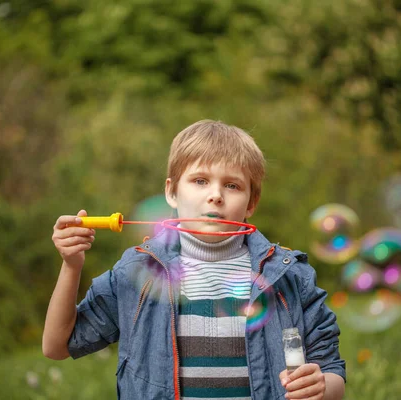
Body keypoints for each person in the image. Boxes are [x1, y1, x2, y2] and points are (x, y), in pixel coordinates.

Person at [43, 120, 346, 399]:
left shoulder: (290, 277)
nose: (216, 195)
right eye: (200, 180)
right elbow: (57, 345)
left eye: (232, 185)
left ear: (251, 202)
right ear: (171, 192)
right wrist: (72, 265)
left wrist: (322, 386)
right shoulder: (136, 272)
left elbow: (332, 370)